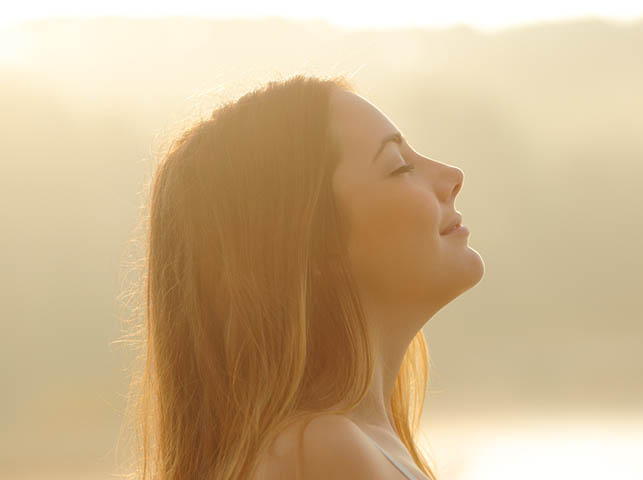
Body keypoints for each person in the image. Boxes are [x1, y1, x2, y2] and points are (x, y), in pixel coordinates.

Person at [120, 73, 485, 479]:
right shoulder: (320, 451)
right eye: (399, 167)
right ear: (315, 244)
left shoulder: (353, 444)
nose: (452, 175)